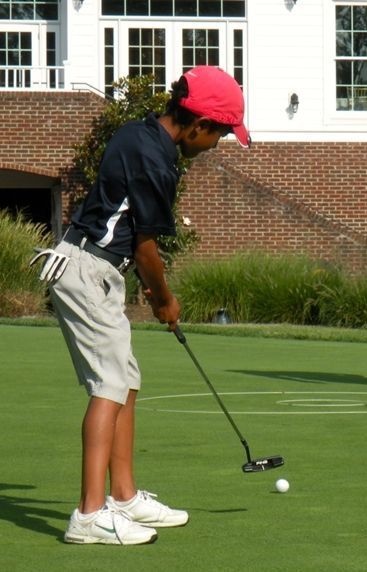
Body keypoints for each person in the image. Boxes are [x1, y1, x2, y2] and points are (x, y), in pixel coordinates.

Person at [33, 66, 250, 544]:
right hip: (87, 270)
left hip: (95, 269)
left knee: (126, 380)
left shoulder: (140, 135)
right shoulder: (158, 161)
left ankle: (125, 497)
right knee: (110, 385)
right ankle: (89, 515)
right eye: (219, 134)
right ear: (197, 125)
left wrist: (151, 294)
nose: (217, 145)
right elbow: (147, 246)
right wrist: (165, 300)